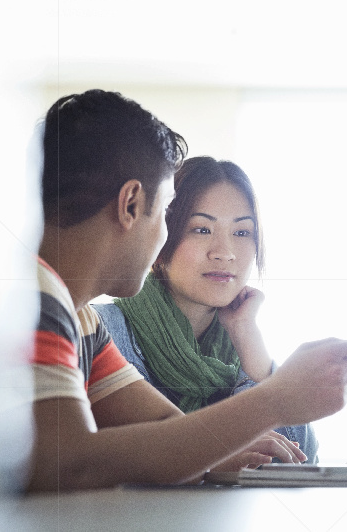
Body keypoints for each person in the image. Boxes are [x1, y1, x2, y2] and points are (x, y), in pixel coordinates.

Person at [29, 89, 347, 491]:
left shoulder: (81, 318)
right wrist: (275, 399)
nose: (162, 235)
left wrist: (219, 455)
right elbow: (71, 463)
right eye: (165, 213)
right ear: (130, 205)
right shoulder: (31, 297)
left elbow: (167, 429)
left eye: (243, 232)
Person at [94, 156, 319, 461]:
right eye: (201, 229)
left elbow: (300, 460)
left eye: (241, 233)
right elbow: (93, 459)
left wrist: (252, 349)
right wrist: (213, 456)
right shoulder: (100, 330)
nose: (224, 253)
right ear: (161, 238)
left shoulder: (243, 348)